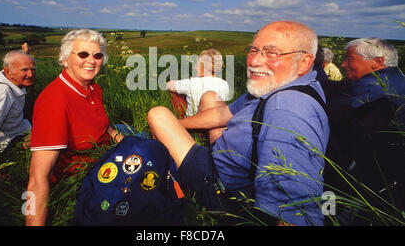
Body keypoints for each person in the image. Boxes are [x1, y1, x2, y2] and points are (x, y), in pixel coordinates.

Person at [147, 21, 329, 226]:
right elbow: (223, 113)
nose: (255, 61)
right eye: (253, 50)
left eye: (272, 53)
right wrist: (178, 125)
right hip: (227, 157)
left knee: (158, 114)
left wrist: (171, 126)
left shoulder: (287, 109)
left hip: (220, 187)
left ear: (304, 63)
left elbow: (293, 210)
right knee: (209, 99)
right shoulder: (279, 86)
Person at [26, 29, 124, 226]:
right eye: (83, 54)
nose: (91, 60)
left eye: (97, 55)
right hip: (87, 173)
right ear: (64, 59)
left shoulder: (93, 88)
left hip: (108, 150)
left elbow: (103, 126)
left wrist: (123, 140)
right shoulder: (55, 101)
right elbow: (37, 177)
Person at [322, 38, 405, 223]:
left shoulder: (373, 87)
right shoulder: (396, 79)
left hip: (369, 182)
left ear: (377, 62)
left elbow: (333, 108)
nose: (343, 64)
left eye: (349, 59)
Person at [166, 48, 231, 118]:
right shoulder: (225, 84)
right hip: (216, 123)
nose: (194, 68)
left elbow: (168, 85)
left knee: (176, 93)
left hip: (192, 124)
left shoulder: (192, 83)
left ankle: (179, 117)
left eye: (197, 65)